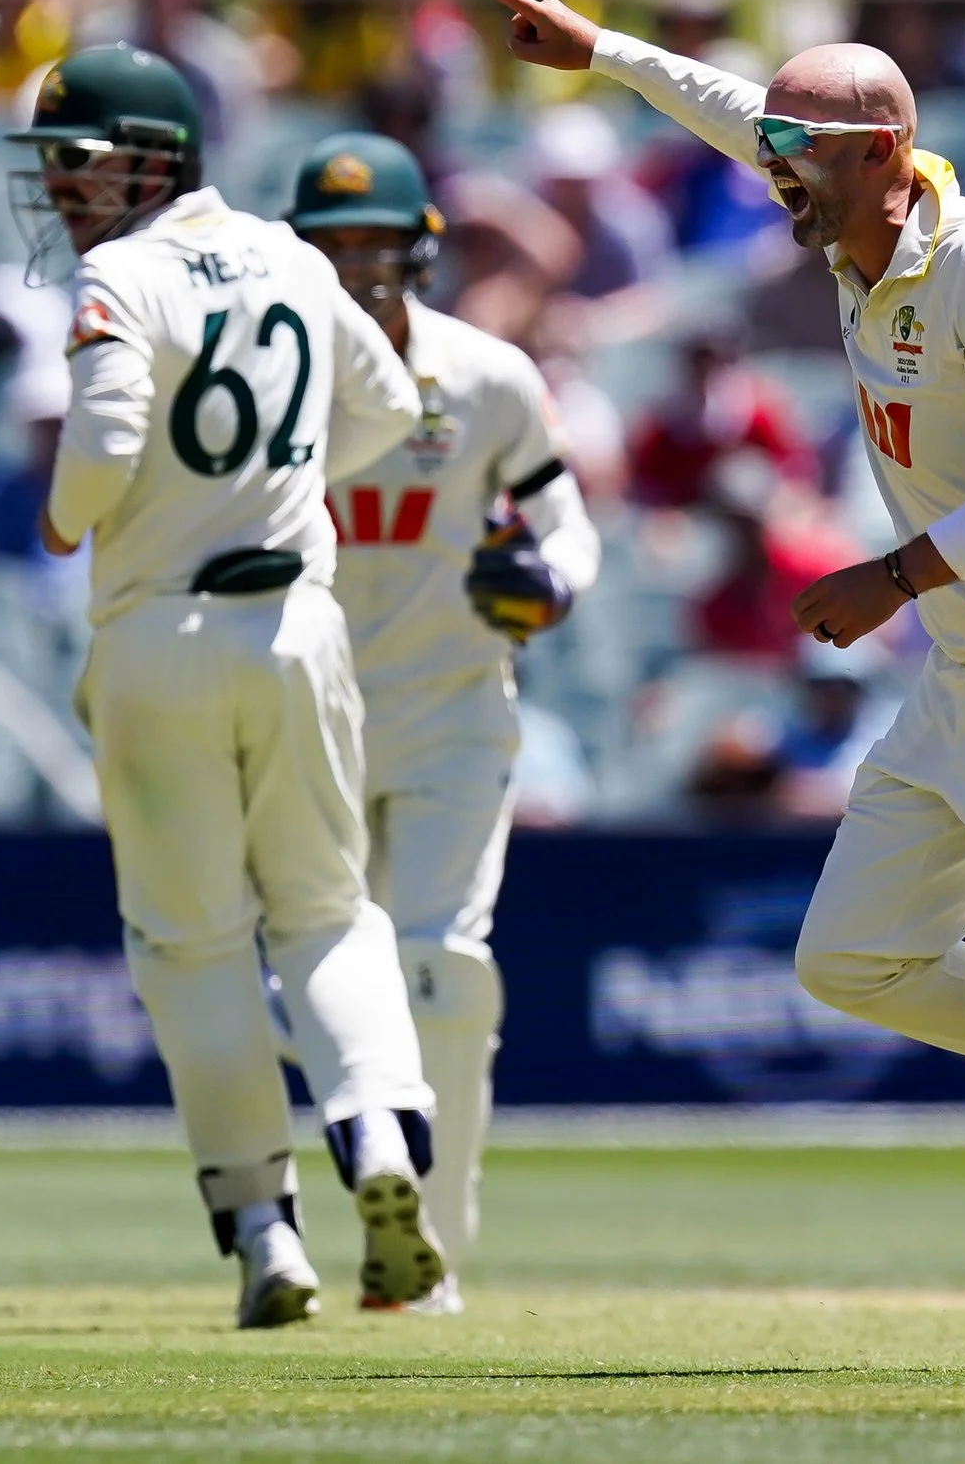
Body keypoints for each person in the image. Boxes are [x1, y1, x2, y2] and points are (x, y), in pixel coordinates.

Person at [475, 0, 965, 1372]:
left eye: (802, 152)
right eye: (775, 149)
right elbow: (736, 109)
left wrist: (893, 573)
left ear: (884, 156)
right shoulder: (843, 206)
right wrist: (600, 49)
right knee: (851, 956)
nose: (772, 170)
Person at [14, 46, 442, 1328]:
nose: (60, 193)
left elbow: (98, 448)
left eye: (78, 165)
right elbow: (388, 401)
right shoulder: (292, 258)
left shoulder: (117, 276)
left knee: (191, 942)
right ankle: (374, 1132)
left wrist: (63, 518)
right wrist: (290, 477)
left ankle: (266, 1228)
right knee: (326, 912)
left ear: (153, 156)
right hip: (296, 628)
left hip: (155, 632)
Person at [286, 131, 603, 1314]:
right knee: (318, 976)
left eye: (378, 243)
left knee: (442, 968)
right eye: (333, 244)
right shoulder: (275, 380)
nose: (359, 267)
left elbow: (563, 522)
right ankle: (346, 1192)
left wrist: (551, 582)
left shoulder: (486, 377)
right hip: (306, 714)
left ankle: (429, 1243)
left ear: (421, 250)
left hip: (455, 709)